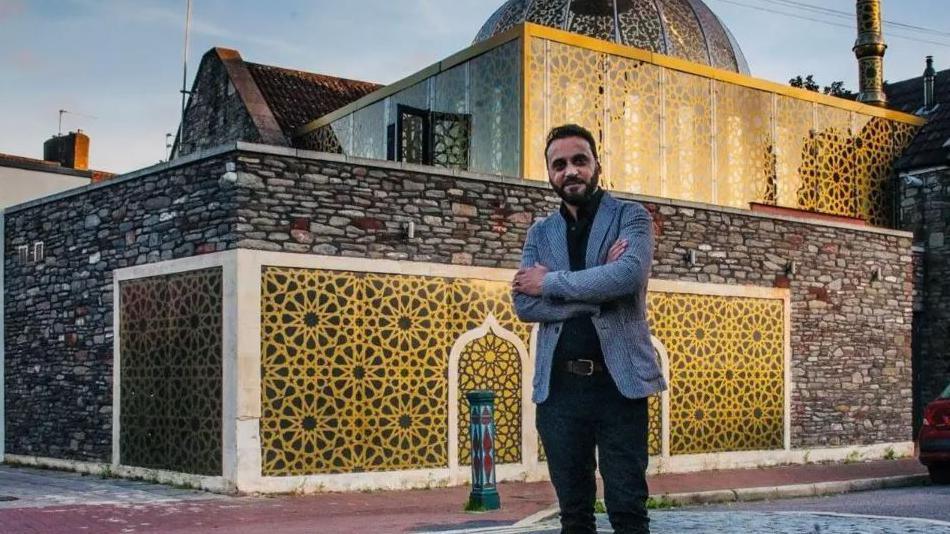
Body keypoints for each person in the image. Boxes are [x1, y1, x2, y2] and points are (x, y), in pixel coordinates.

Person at [511, 124, 666, 534]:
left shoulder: (630, 217)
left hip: (619, 388)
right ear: (549, 173)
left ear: (596, 164)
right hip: (559, 393)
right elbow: (524, 303)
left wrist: (551, 283)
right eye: (559, 164)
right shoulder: (539, 233)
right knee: (574, 514)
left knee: (628, 509)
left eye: (579, 160)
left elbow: (627, 277)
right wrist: (598, 285)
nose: (570, 171)